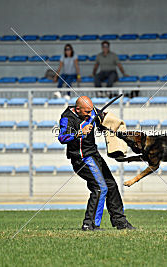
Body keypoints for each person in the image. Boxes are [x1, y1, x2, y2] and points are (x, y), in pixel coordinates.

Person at [58, 96, 135, 231]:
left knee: (111, 185)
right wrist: (79, 133)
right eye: (87, 112)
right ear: (77, 109)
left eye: (91, 111)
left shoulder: (91, 110)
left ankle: (120, 222)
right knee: (100, 188)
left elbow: (103, 119)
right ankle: (89, 224)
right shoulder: (67, 118)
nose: (90, 114)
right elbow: (62, 137)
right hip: (81, 159)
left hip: (94, 155)